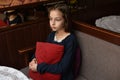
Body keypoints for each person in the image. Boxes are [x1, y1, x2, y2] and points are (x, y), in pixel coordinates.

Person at [29, 3, 77, 80]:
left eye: (57, 19)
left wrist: (38, 67)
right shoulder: (51, 35)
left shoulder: (70, 40)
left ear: (65, 20)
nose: (53, 23)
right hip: (48, 70)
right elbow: (44, 52)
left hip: (62, 76)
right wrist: (34, 59)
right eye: (51, 19)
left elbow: (63, 68)